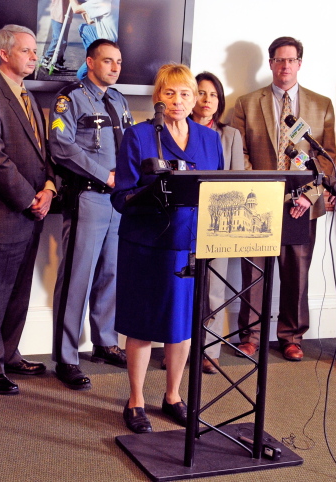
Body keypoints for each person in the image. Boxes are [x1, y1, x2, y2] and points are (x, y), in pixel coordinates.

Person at [112, 63, 224, 433]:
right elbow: (121, 195)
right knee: (142, 325)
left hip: (189, 246)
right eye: (170, 92)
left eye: (186, 93)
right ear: (158, 97)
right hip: (145, 245)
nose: (178, 100)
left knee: (181, 326)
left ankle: (172, 395)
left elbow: (218, 191)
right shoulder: (140, 135)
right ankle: (136, 400)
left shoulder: (209, 140)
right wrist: (153, 195)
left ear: (196, 100)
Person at [230, 36, 336, 362]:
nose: (285, 66)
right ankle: (250, 336)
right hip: (258, 203)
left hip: (302, 206)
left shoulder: (322, 105)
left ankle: (291, 337)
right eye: (279, 60)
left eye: (291, 60)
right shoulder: (247, 103)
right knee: (253, 274)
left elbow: (328, 158)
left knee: (297, 274)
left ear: (300, 64)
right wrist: (259, 193)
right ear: (271, 63)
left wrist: (309, 195)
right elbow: (240, 153)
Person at [0, 25, 56, 396]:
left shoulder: (27, 96)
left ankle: (8, 352)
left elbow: (43, 152)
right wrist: (30, 199)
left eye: (35, 52)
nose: (35, 57)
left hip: (31, 213)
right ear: (4, 54)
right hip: (1, 216)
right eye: (27, 51)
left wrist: (49, 189)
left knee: (18, 293)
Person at [48, 38, 132, 390]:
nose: (115, 67)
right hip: (87, 198)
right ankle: (66, 357)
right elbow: (61, 146)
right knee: (77, 278)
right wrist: (104, 174)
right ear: (90, 62)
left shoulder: (119, 99)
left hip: (118, 201)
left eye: (119, 62)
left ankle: (105, 341)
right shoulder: (71, 98)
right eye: (108, 61)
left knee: (111, 273)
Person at [189, 71, 245, 374]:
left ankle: (209, 351)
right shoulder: (177, 130)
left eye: (213, 94)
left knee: (214, 290)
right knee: (183, 287)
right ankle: (179, 347)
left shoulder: (230, 135)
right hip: (184, 221)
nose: (207, 99)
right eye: (201, 92)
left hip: (219, 223)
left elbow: (236, 181)